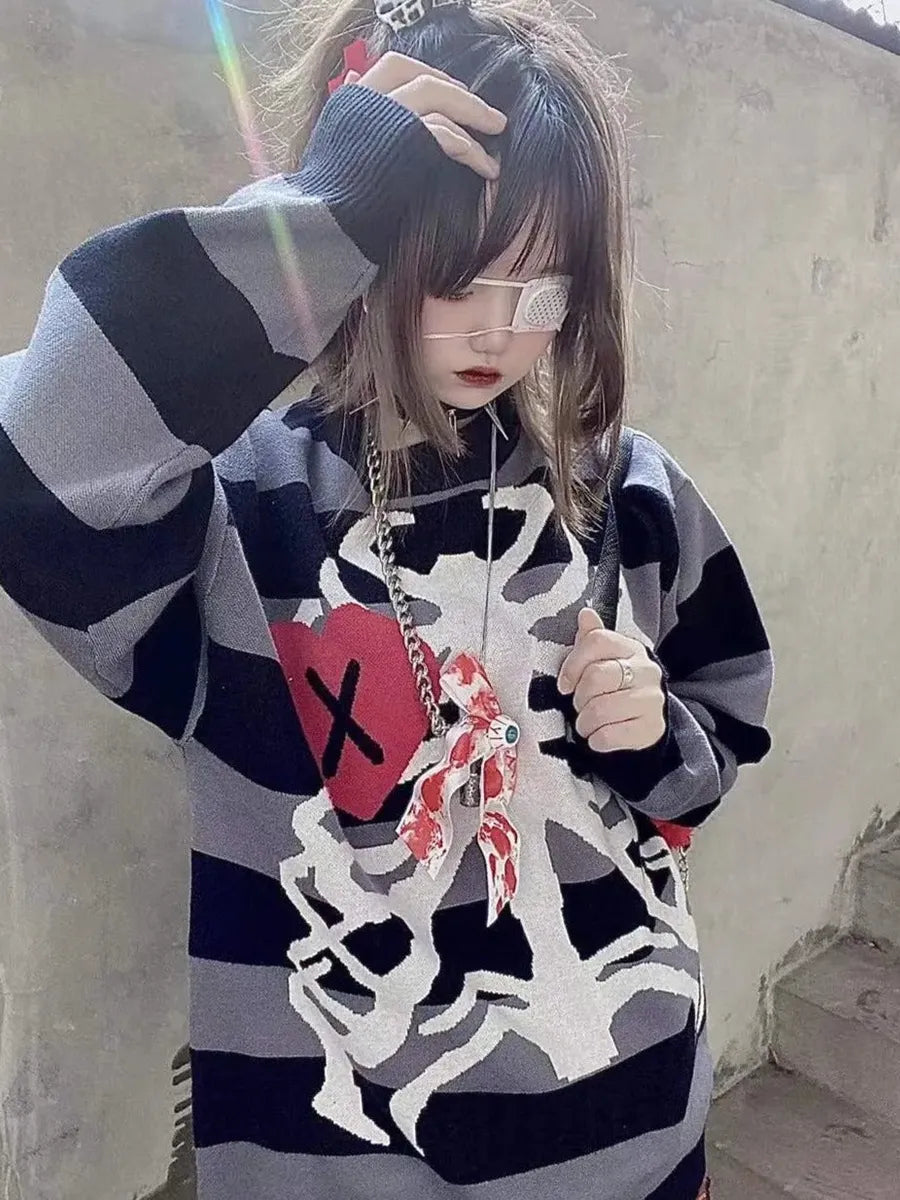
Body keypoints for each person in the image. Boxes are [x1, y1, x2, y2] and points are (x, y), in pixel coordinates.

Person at [0, 0, 773, 1196]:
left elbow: (716, 749)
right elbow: (35, 461)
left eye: (544, 290)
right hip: (340, 1160)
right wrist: (321, 212)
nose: (499, 329)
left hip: (639, 1133)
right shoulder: (234, 514)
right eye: (455, 276)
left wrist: (655, 735)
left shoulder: (634, 492)